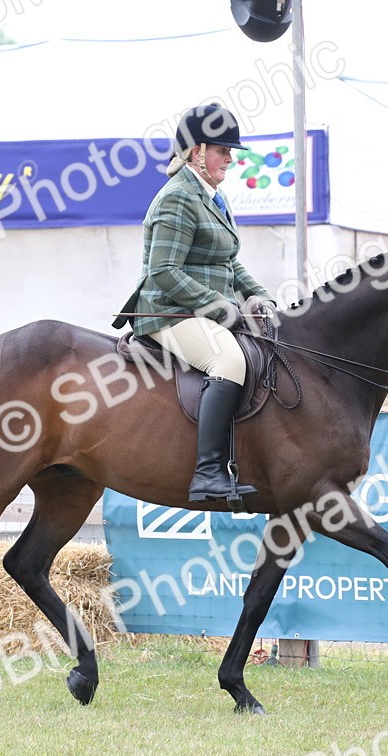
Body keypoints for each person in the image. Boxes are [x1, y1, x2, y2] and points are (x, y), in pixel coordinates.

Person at [114, 103, 276, 503]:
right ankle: (207, 473)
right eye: (223, 150)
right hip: (167, 312)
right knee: (229, 361)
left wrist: (260, 296)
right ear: (196, 152)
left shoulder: (213, 197)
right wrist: (218, 307)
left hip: (197, 309)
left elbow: (228, 263)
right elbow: (163, 271)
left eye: (230, 151)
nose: (230, 159)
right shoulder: (178, 199)